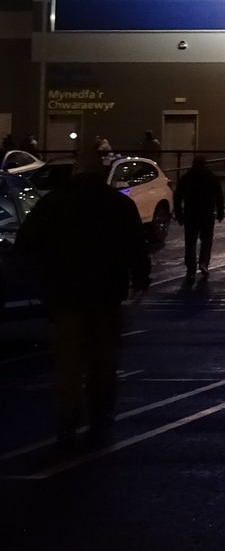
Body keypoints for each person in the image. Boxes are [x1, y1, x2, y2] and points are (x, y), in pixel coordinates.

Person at [15, 141, 151, 445]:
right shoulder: (118, 204)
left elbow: (26, 244)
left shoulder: (54, 203)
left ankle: (68, 416)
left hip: (65, 294)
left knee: (69, 360)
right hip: (105, 292)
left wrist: (42, 274)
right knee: (103, 359)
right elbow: (135, 246)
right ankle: (101, 413)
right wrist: (141, 276)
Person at [173, 157, 225, 279]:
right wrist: (220, 211)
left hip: (191, 212)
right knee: (206, 239)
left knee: (190, 241)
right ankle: (204, 262)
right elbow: (219, 195)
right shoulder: (211, 176)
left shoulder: (187, 177)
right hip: (207, 212)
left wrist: (179, 213)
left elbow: (177, 196)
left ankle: (191, 268)